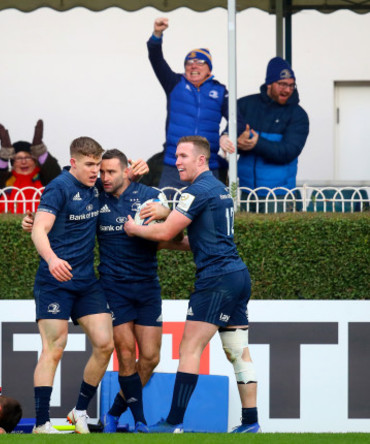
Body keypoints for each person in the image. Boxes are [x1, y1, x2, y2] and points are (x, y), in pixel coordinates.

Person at [23, 149, 183, 433]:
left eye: (109, 171)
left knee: (147, 357)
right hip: (110, 286)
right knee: (111, 351)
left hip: (141, 286)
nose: (102, 176)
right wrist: (33, 222)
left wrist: (166, 212)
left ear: (126, 171)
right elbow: (55, 208)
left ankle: (98, 413)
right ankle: (136, 422)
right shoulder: (92, 192)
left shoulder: (147, 194)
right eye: (99, 169)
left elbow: (174, 234)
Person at [123, 136, 261, 434]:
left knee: (189, 348)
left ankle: (173, 422)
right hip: (237, 276)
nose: (177, 161)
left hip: (216, 280)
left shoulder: (195, 191)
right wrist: (163, 236)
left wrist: (136, 229)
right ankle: (251, 423)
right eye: (176, 155)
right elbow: (193, 242)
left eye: (183, 155)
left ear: (202, 160)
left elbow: (167, 231)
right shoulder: (219, 189)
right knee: (238, 351)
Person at [29, 136, 113, 434]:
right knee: (55, 346)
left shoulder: (97, 186)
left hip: (86, 283)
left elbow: (122, 178)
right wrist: (52, 259)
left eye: (98, 165)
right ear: (73, 162)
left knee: (105, 344)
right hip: (54, 282)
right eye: (90, 165)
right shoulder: (58, 187)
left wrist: (136, 170)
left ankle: (78, 411)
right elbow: (39, 229)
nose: (96, 171)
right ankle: (41, 423)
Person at [147, 17, 240, 191]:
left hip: (207, 165)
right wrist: (157, 34)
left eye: (200, 62)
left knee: (209, 213)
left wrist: (226, 135)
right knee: (166, 211)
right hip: (174, 165)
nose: (193, 66)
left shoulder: (220, 91)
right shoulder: (174, 83)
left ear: (209, 69)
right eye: (189, 62)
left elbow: (238, 119)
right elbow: (156, 59)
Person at [221, 57, 309, 211]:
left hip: (280, 196)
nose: (287, 90)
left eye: (291, 85)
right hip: (247, 193)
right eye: (282, 84)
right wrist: (225, 137)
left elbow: (287, 152)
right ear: (269, 83)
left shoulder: (298, 115)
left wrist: (256, 143)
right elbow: (232, 133)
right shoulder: (245, 104)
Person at [0, 119, 61, 213]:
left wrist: (39, 151)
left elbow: (56, 177)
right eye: (19, 158)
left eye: (28, 157)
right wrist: (4, 156)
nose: (24, 162)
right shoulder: (7, 179)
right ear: (13, 163)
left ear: (34, 161)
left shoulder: (43, 177)